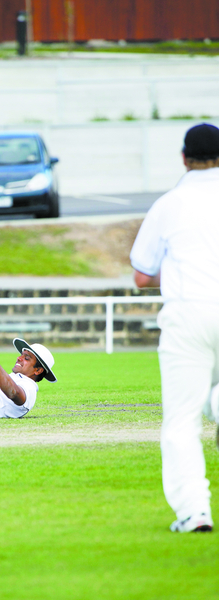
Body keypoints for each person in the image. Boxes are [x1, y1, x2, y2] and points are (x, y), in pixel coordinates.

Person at [130, 123, 219, 533]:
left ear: (184, 158)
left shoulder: (170, 203)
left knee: (182, 419)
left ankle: (194, 510)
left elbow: (142, 275)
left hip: (189, 314)